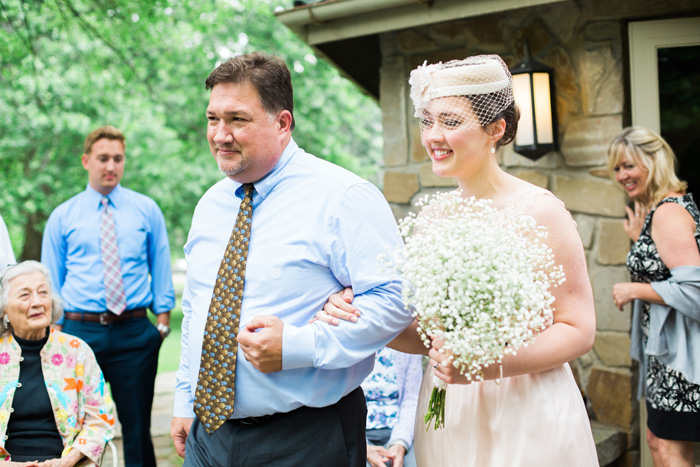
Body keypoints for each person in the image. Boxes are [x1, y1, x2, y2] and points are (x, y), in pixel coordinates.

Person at [319, 55, 599, 466]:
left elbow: (578, 329)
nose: (433, 135)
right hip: (447, 409)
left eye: (450, 122)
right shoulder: (431, 216)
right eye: (427, 121)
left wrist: (484, 366)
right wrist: (362, 314)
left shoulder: (540, 212)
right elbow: (429, 334)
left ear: (495, 129)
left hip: (524, 409)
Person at [170, 51, 412, 467]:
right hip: (208, 437)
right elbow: (197, 308)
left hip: (307, 438)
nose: (220, 135)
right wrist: (184, 398)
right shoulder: (209, 205)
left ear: (282, 123)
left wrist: (297, 346)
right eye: (213, 119)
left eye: (237, 119)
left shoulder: (344, 197)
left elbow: (397, 302)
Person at [41, 126, 175, 467]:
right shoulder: (63, 216)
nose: (110, 166)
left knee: (137, 428)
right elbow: (51, 278)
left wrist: (161, 323)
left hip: (134, 333)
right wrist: (54, 331)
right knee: (73, 427)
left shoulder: (146, 210)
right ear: (87, 161)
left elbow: (160, 263)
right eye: (103, 159)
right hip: (78, 333)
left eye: (117, 158)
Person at [608, 126, 700, 467]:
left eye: (629, 165)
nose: (622, 175)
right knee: (658, 443)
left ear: (654, 161)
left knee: (672, 449)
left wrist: (634, 289)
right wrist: (639, 241)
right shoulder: (659, 210)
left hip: (684, 358)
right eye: (617, 168)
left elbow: (695, 290)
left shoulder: (668, 213)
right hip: (667, 356)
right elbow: (666, 270)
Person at [0, 260, 115, 466]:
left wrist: (69, 460)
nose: (37, 302)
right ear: (4, 309)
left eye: (43, 293)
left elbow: (101, 418)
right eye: (25, 295)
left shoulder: (77, 351)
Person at [363, 348, 421, 467]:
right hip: (356, 432)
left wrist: (399, 444)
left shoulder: (408, 343)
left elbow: (412, 399)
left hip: (401, 428)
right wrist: (363, 447)